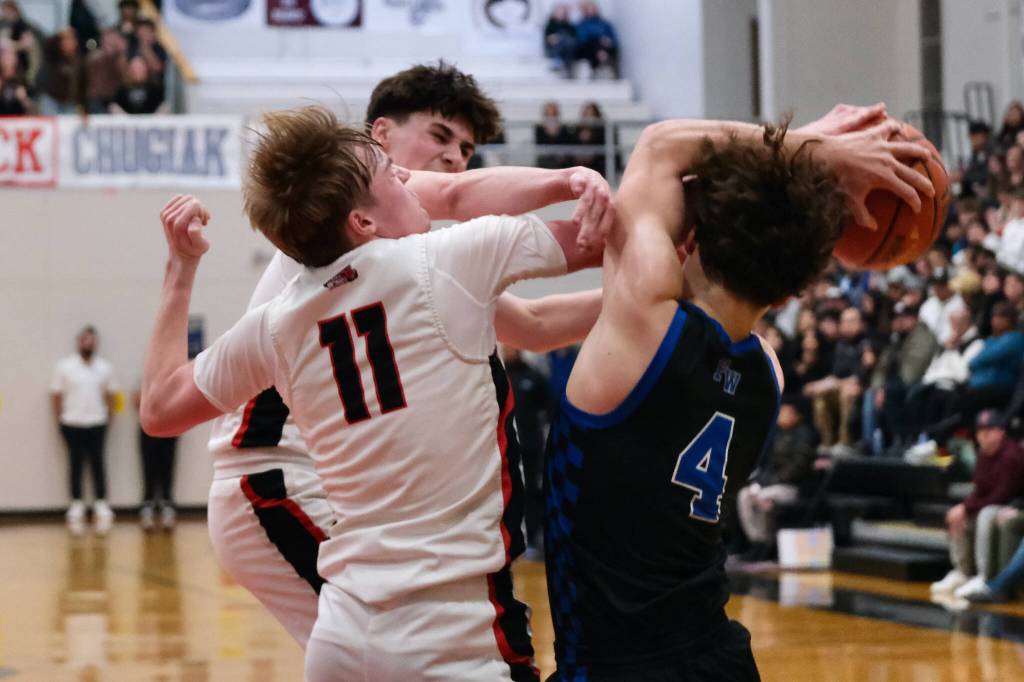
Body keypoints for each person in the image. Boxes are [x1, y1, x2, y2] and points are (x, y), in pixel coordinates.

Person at [140, 103, 611, 679]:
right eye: (394, 171)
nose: (418, 176)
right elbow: (599, 237)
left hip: (345, 630)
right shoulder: (445, 260)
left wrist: (181, 267)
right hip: (448, 630)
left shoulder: (276, 325)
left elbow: (160, 408)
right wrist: (578, 182)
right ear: (361, 219)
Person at [541, 105, 934, 679]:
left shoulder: (644, 322)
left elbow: (659, 146)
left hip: (616, 667)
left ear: (693, 233)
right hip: (719, 660)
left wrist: (818, 148)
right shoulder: (767, 374)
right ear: (793, 292)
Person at [930, 410, 1024, 597]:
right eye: (980, 431)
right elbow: (979, 489)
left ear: (1001, 432)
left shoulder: (1012, 455)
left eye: (989, 430)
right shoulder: (983, 454)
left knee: (986, 514)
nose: (983, 436)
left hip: (1011, 503)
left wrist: (968, 507)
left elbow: (1003, 494)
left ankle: (984, 575)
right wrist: (963, 508)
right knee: (958, 516)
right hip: (998, 504)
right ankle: (962, 571)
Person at [51, 326, 119, 536]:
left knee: (98, 463)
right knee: (75, 464)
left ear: (96, 343)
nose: (88, 343)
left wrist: (108, 418)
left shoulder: (104, 367)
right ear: (79, 342)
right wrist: (60, 420)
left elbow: (111, 395)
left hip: (97, 422)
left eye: (91, 340)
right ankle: (76, 503)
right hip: (72, 423)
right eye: (84, 340)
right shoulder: (65, 367)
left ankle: (101, 503)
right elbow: (56, 394)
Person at [736, 398, 817, 557]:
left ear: (797, 415)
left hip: (793, 487)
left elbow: (797, 469)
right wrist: (758, 482)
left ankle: (768, 544)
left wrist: (769, 483)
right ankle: (756, 541)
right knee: (744, 495)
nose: (781, 415)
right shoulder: (777, 435)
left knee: (763, 497)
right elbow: (767, 466)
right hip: (772, 484)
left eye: (786, 412)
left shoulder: (805, 436)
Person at [502, 345, 554, 557]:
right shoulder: (499, 377)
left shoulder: (533, 376)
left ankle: (532, 540)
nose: (511, 350)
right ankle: (508, 542)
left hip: (531, 446)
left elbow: (549, 408)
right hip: (505, 447)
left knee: (531, 492)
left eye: (514, 347)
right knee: (507, 494)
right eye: (507, 347)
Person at [574, 1, 618, 78]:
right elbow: (582, 39)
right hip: (587, 47)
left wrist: (608, 41)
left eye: (592, 9)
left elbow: (612, 38)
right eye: (588, 9)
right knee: (594, 45)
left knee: (607, 46)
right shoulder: (581, 24)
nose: (591, 11)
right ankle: (601, 62)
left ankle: (602, 64)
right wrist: (599, 39)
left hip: (604, 46)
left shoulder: (604, 24)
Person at [543, 3, 576, 77]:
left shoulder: (569, 25)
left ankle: (558, 62)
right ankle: (566, 67)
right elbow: (547, 39)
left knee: (565, 40)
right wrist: (553, 39)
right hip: (554, 48)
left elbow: (573, 39)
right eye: (558, 12)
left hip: (567, 48)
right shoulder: (550, 25)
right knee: (561, 40)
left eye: (562, 12)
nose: (560, 14)